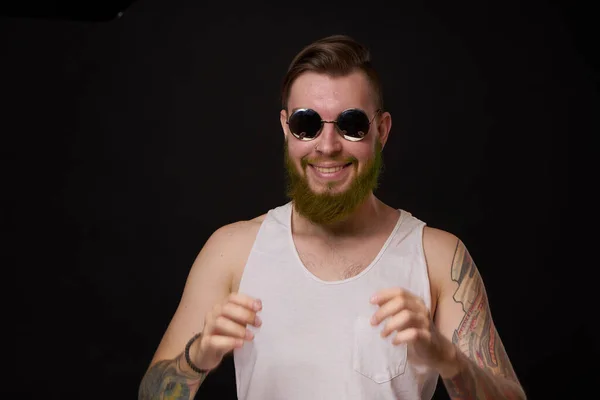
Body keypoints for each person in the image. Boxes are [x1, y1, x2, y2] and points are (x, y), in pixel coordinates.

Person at [138, 35, 527, 400]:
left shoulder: (438, 257)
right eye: (306, 124)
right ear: (286, 129)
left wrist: (448, 358)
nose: (327, 146)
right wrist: (197, 357)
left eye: (351, 125)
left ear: (382, 130)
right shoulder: (232, 250)